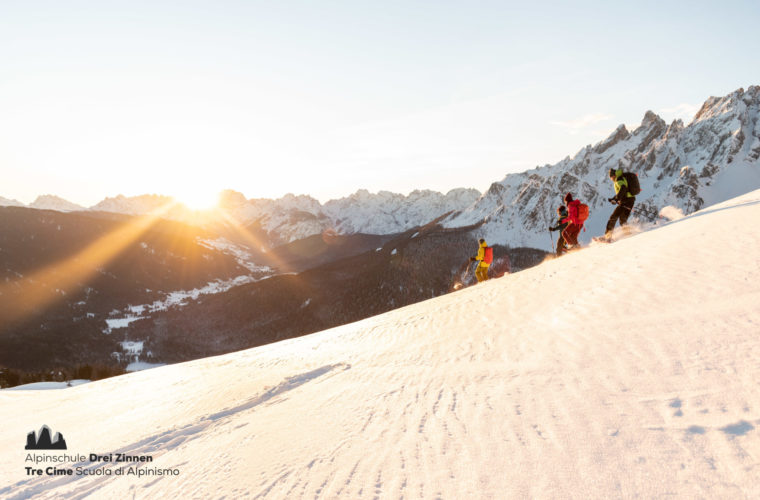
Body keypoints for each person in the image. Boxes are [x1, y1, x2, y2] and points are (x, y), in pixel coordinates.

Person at [605, 168, 636, 239]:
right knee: (623, 220)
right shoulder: (620, 179)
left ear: (614, 175)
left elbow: (623, 188)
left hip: (625, 201)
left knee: (613, 217)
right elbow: (622, 192)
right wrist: (614, 198)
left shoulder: (619, 180)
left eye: (611, 177)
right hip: (630, 201)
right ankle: (628, 234)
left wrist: (616, 199)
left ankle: (607, 237)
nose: (611, 179)